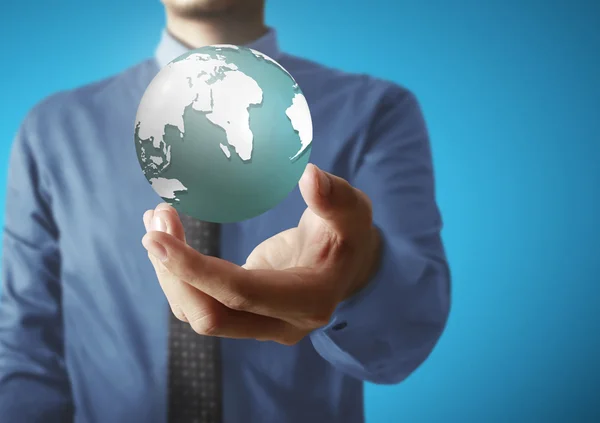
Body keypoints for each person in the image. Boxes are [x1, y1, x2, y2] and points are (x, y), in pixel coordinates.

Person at [0, 0, 451, 422]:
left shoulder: (376, 112)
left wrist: (355, 274)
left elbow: (407, 338)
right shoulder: (52, 131)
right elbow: (24, 350)